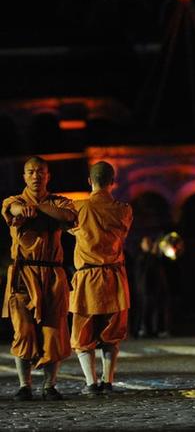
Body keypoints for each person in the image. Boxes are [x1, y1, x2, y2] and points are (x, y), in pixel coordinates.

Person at [2, 156, 76, 400]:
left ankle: (49, 385)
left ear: (48, 175)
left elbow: (67, 216)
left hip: (53, 273)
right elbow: (10, 209)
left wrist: (40, 207)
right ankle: (25, 385)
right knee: (23, 331)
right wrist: (23, 209)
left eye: (41, 172)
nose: (36, 176)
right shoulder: (15, 201)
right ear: (24, 176)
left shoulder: (59, 202)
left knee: (54, 330)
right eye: (31, 172)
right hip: (24, 274)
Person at [68, 161, 133, 395]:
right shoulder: (124, 209)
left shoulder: (78, 208)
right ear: (112, 182)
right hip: (115, 277)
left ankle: (90, 383)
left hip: (87, 277)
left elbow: (63, 221)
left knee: (82, 334)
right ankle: (108, 381)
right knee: (112, 333)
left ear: (89, 181)